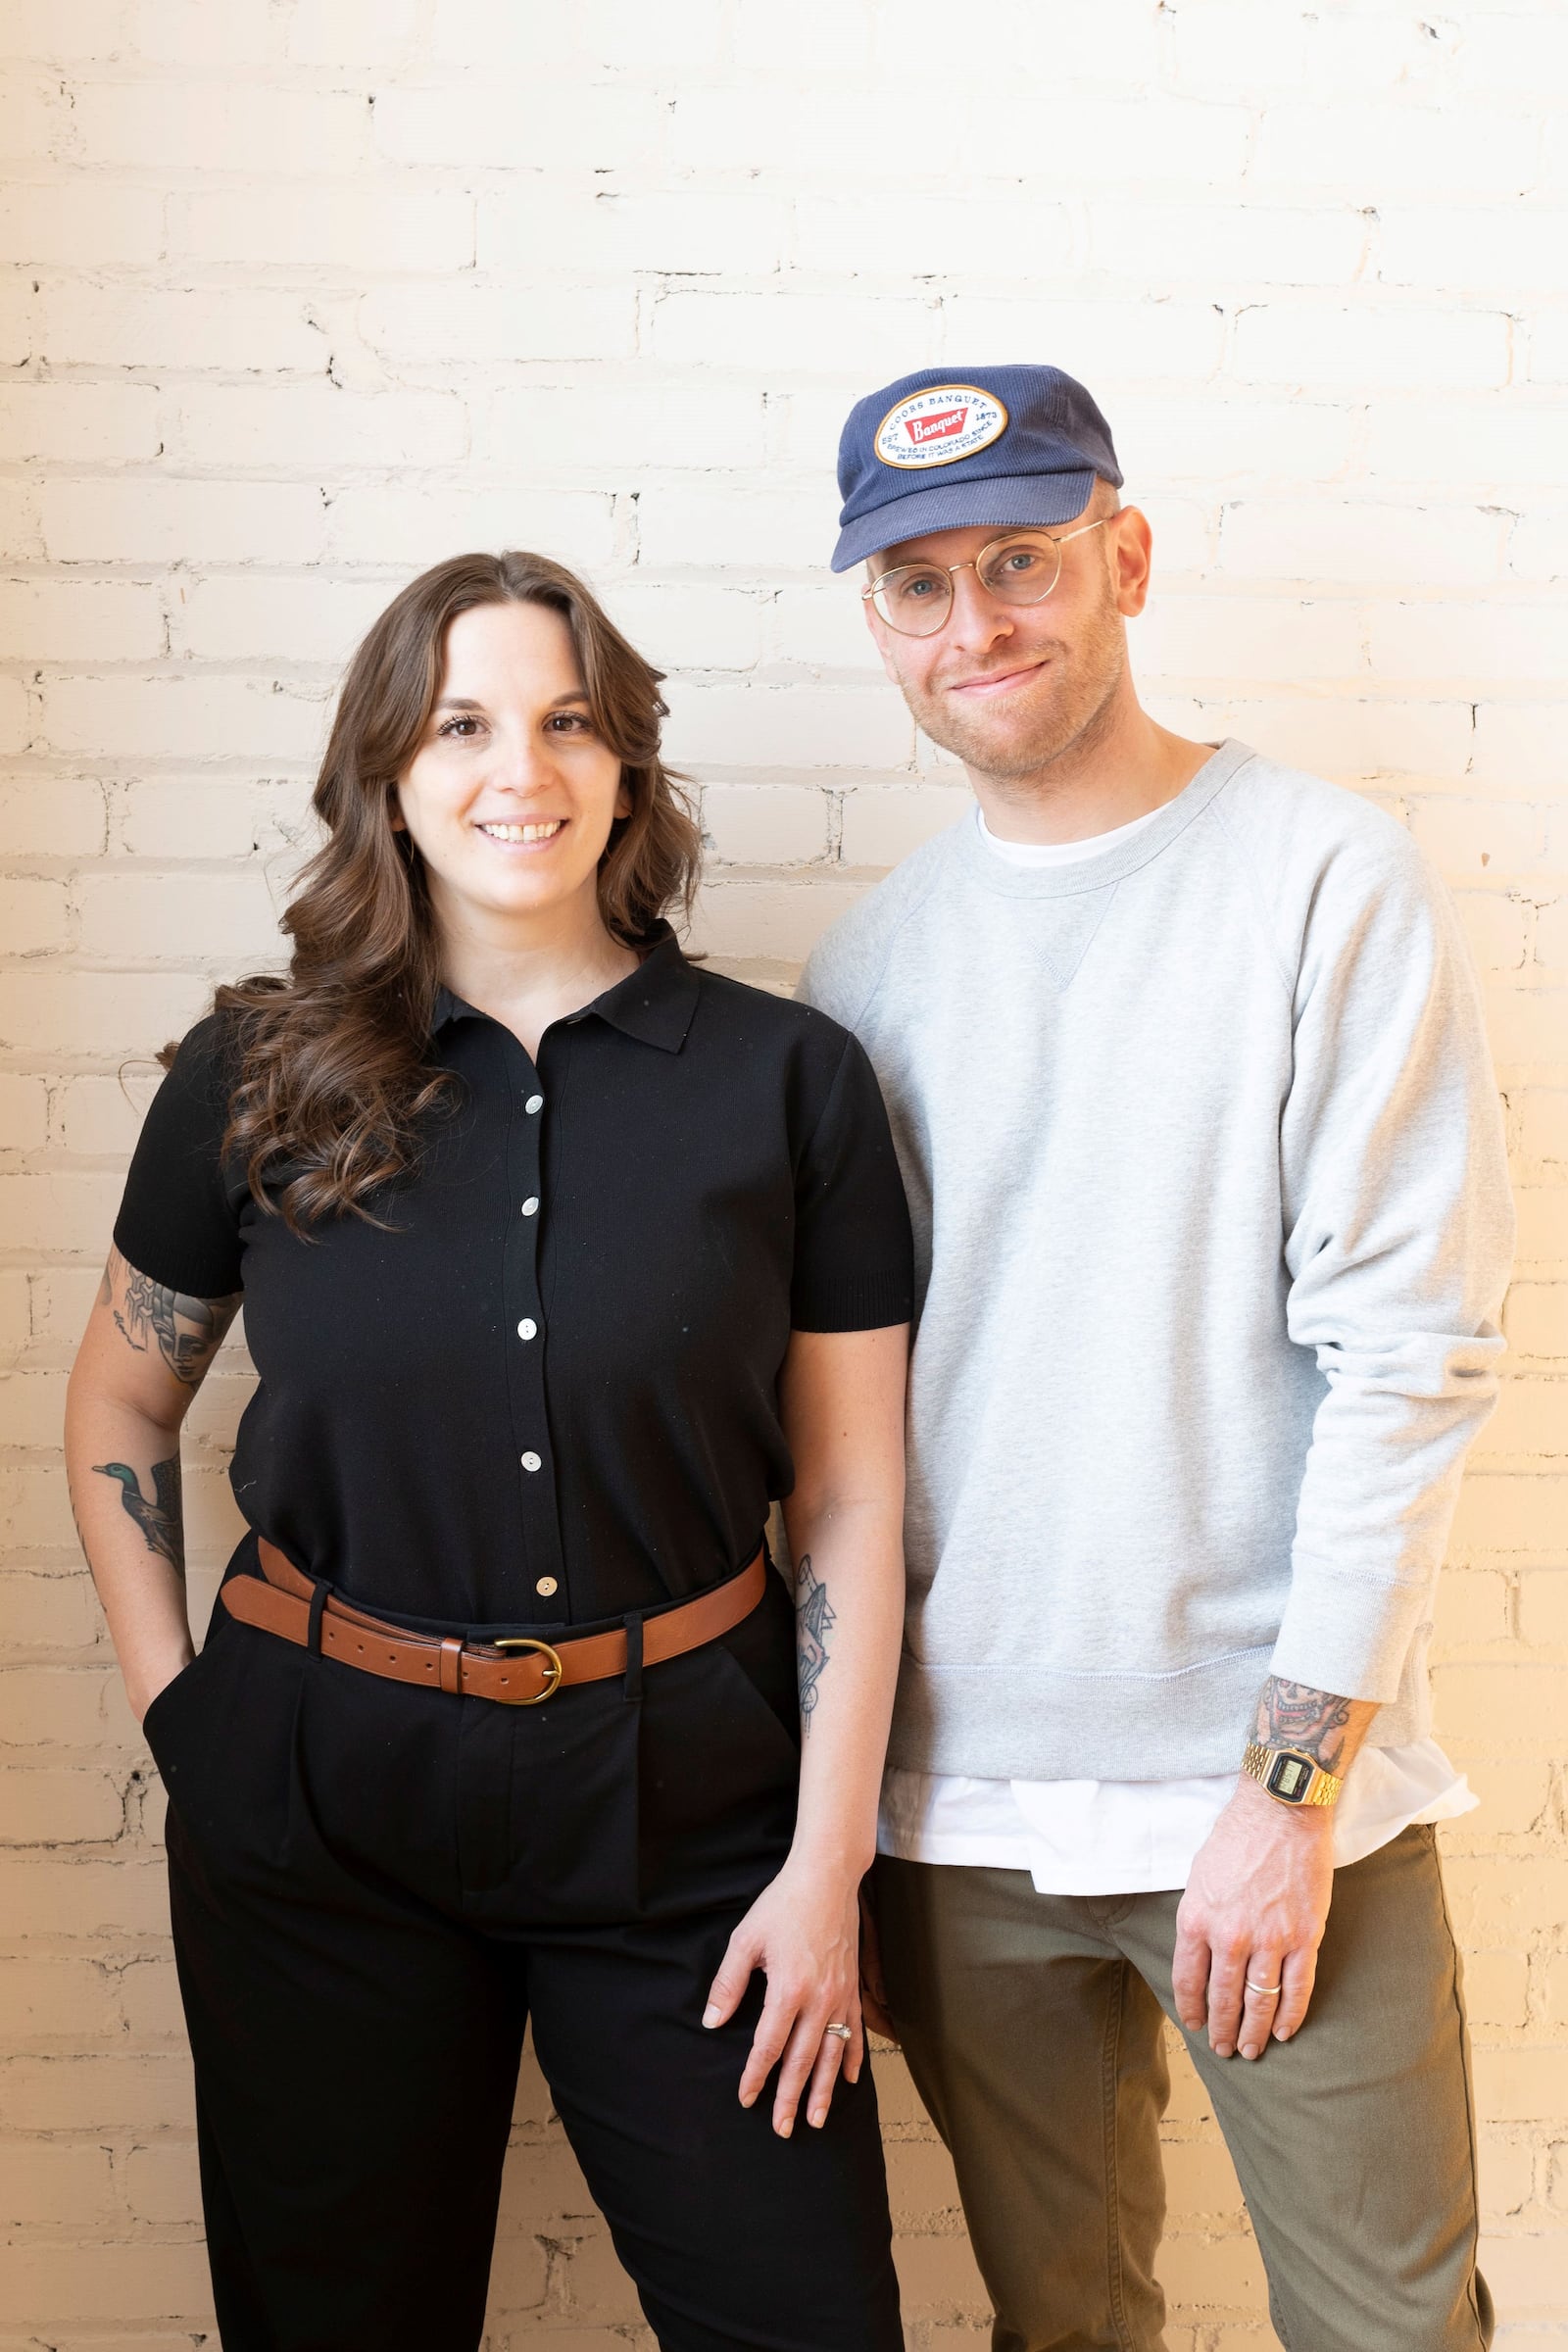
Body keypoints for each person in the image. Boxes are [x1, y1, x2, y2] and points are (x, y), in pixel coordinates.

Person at [64, 550, 913, 2352]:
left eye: (568, 722)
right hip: (318, 1797)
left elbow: (846, 1496)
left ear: (626, 770)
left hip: (698, 1822)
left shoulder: (787, 1083)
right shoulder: (249, 1075)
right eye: (462, 723)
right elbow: (122, 1402)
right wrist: (185, 1719)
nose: (517, 770)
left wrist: (824, 1865)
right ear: (388, 765)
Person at [800, 366, 1514, 2352]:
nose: (977, 628)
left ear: (1119, 556)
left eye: (1018, 562)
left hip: (1279, 1799)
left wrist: (1283, 1793)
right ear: (874, 620)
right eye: (917, 586)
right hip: (961, 1831)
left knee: (1385, 2329)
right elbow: (845, 1444)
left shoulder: (1318, 876)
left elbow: (1406, 1354)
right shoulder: (865, 970)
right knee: (1064, 2333)